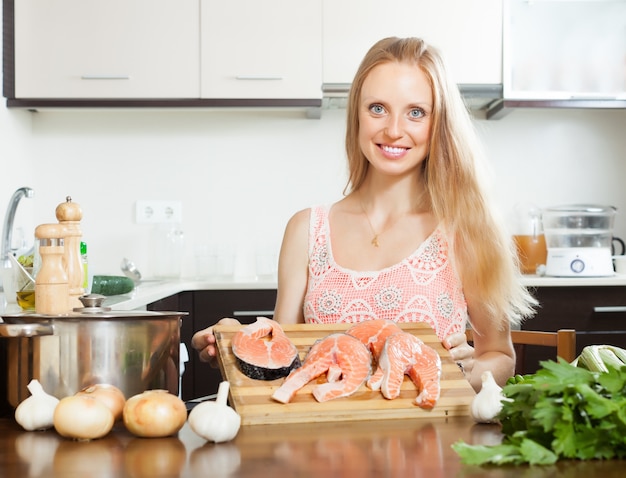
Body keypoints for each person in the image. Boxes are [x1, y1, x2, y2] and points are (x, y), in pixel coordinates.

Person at [192, 37, 536, 392]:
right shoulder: (306, 230)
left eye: (416, 112)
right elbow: (286, 360)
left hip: (430, 438)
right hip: (324, 439)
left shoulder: (466, 229)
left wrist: (465, 372)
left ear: (439, 124)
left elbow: (499, 356)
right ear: (356, 113)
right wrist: (236, 344)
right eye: (378, 108)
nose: (394, 130)